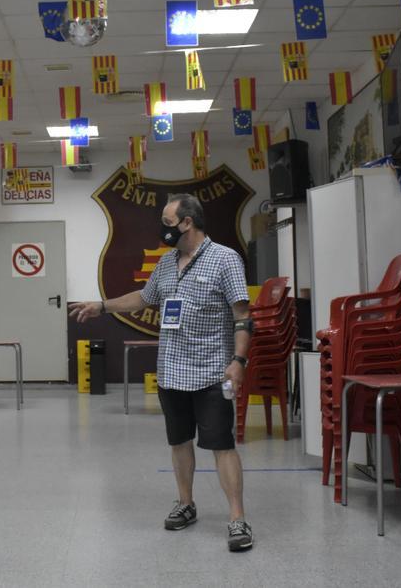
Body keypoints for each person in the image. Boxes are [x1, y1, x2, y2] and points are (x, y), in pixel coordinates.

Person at [69, 193, 254, 552]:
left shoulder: (224, 259)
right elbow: (144, 297)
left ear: (188, 222)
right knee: (179, 442)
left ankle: (237, 518)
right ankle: (186, 504)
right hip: (172, 372)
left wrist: (239, 361)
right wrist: (101, 306)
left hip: (211, 372)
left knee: (222, 446)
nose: (162, 228)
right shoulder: (168, 263)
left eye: (168, 222)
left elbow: (243, 316)